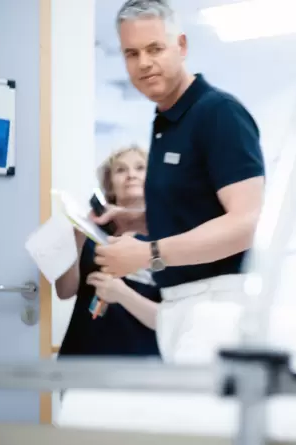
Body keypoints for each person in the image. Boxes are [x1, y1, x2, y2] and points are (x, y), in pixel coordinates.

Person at [92, 0, 265, 360]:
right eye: (131, 53)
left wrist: (148, 253)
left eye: (155, 48)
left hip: (215, 305)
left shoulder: (218, 113)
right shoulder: (165, 123)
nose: (143, 63)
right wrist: (138, 220)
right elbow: (197, 207)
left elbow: (247, 222)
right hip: (177, 305)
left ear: (181, 46)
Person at [56, 145, 160, 358]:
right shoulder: (91, 229)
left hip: (139, 361)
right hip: (82, 355)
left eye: (140, 168)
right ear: (109, 183)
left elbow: (167, 320)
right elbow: (64, 291)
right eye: (121, 170)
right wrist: (78, 237)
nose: (131, 175)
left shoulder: (167, 237)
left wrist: (122, 294)